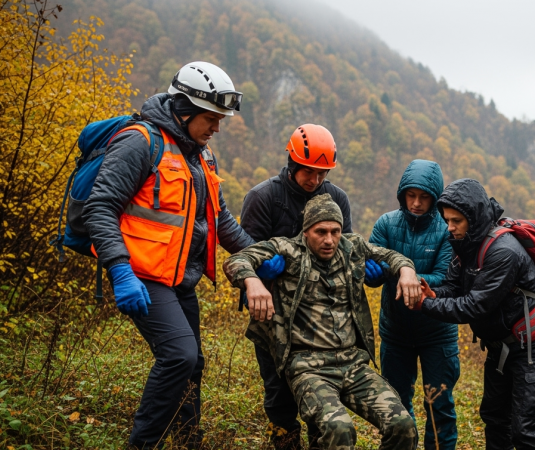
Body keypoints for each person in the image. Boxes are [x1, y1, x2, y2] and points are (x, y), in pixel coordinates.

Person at [83, 61, 255, 449]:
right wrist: (120, 271)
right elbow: (100, 207)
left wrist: (257, 254)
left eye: (220, 119)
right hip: (140, 276)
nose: (216, 127)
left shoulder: (202, 156)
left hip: (179, 280)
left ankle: (189, 442)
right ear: (183, 108)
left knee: (192, 364)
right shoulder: (140, 141)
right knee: (178, 355)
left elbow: (219, 218)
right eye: (210, 118)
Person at [223, 194, 421, 450]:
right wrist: (253, 281)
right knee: (339, 429)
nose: (329, 240)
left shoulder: (352, 247)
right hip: (308, 366)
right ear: (306, 231)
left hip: (353, 363)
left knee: (403, 426)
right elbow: (236, 260)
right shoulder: (287, 248)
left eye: (335, 231)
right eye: (321, 232)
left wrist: (406, 272)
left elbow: (395, 257)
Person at [407, 179, 535, 450]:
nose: (449, 227)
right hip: (501, 346)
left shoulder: (504, 252)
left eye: (456, 221)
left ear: (474, 218)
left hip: (534, 347)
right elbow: (454, 288)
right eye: (447, 220)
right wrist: (432, 294)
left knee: (526, 430)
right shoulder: (465, 243)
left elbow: (473, 306)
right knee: (494, 418)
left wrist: (425, 306)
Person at [239, 124, 352, 449]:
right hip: (272, 313)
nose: (315, 180)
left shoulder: (336, 198)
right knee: (279, 392)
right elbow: (246, 253)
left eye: (322, 172)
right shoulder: (264, 197)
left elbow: (345, 249)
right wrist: (264, 270)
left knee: (323, 391)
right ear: (292, 162)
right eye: (308, 171)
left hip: (319, 316)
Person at [366, 160, 457, 449]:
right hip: (395, 332)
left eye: (424, 197)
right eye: (411, 195)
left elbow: (444, 278)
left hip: (437, 333)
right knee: (395, 407)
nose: (416, 203)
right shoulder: (386, 223)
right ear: (402, 194)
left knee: (438, 406)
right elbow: (369, 270)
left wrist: (404, 275)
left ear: (435, 198)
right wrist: (373, 273)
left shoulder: (446, 230)